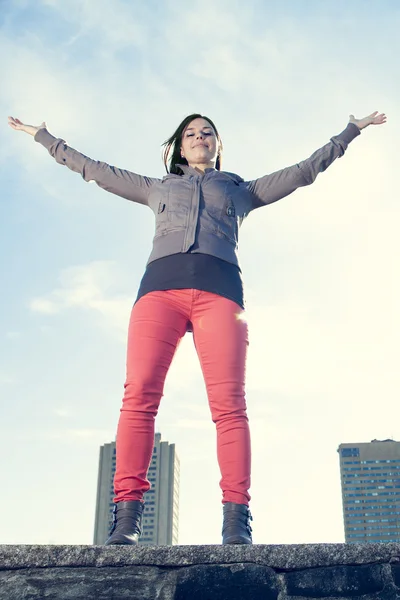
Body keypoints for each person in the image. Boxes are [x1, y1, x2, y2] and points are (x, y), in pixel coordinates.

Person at [8, 110, 386, 545]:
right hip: (159, 294)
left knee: (229, 406)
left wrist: (351, 131)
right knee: (139, 397)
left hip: (220, 294)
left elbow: (305, 171)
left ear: (218, 145)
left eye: (207, 132)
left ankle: (235, 519)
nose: (199, 137)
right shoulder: (158, 187)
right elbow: (95, 170)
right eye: (190, 133)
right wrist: (43, 136)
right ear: (179, 147)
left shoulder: (242, 191)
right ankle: (126, 519)